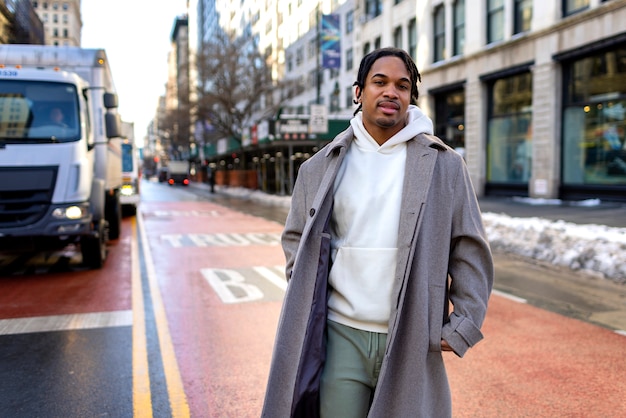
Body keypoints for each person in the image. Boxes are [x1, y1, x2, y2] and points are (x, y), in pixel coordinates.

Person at [262, 47, 494, 417]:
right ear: (358, 92)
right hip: (340, 335)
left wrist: (463, 323)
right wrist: (306, 285)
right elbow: (296, 239)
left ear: (411, 98)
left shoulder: (445, 166)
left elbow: (469, 248)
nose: (391, 92)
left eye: (403, 86)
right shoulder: (319, 168)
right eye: (379, 82)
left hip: (410, 336)